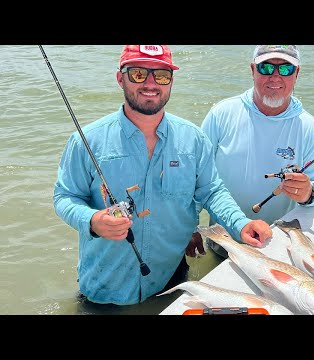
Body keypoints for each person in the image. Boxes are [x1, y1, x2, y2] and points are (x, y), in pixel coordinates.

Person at [53, 45, 272, 306]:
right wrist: (92, 220)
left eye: (161, 75)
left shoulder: (194, 140)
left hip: (171, 281)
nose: (150, 83)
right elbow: (65, 197)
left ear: (171, 82)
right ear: (120, 78)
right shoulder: (85, 141)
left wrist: (241, 224)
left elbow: (211, 191)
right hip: (104, 287)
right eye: (138, 74)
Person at [190, 45, 314, 258]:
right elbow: (194, 176)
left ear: (297, 74)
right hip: (224, 238)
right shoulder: (221, 114)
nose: (275, 77)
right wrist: (190, 226)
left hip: (279, 241)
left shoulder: (309, 128)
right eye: (266, 67)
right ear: (252, 70)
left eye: (285, 69)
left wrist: (310, 192)